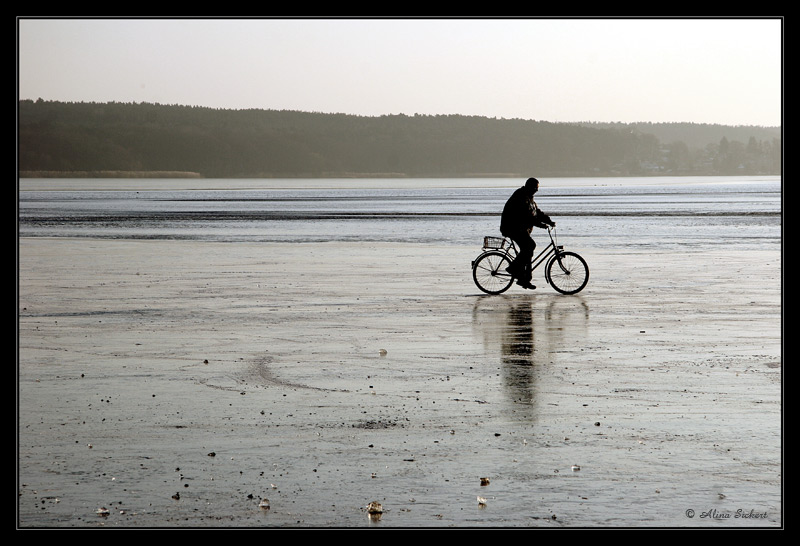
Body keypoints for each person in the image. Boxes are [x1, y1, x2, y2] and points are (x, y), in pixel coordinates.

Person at [500, 177, 555, 289]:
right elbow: (527, 216)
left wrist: (548, 221)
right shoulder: (521, 197)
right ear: (530, 186)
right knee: (530, 246)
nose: (537, 190)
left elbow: (536, 213)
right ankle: (513, 268)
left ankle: (524, 279)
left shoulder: (529, 197)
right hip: (512, 227)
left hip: (521, 228)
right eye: (535, 187)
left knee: (528, 251)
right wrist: (541, 225)